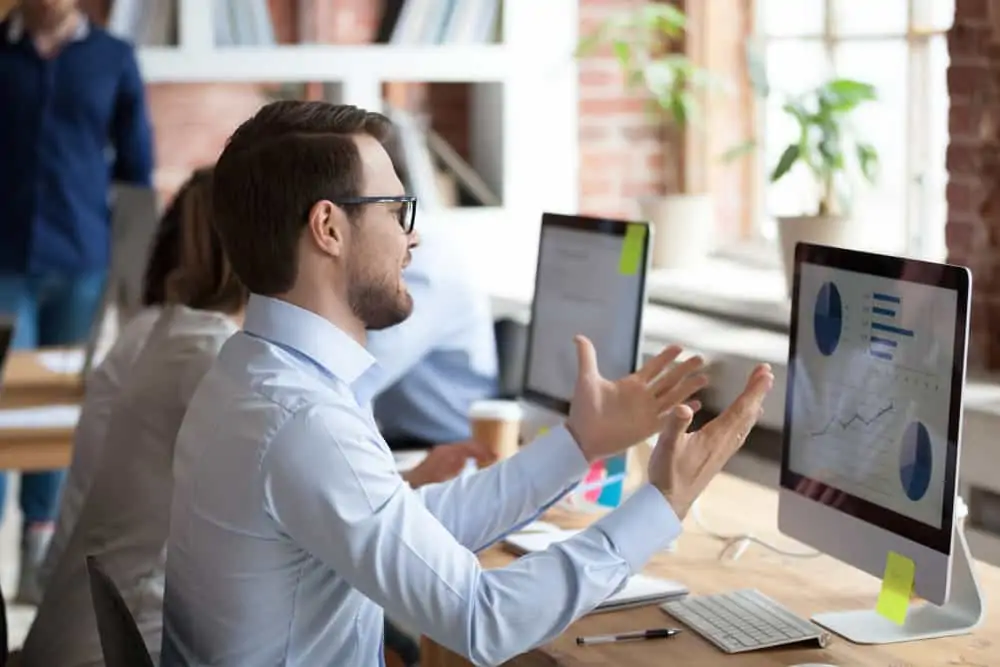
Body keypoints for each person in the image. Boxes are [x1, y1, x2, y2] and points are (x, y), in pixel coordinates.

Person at [159, 100, 774, 666]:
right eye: (398, 212)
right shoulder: (305, 421)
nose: (414, 236)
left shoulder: (247, 374)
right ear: (328, 228)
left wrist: (578, 443)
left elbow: (406, 530)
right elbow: (483, 619)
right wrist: (663, 504)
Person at [0, 0, 154, 603]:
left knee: (56, 408)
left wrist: (137, 275)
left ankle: (39, 555)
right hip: (4, 261)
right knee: (4, 398)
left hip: (82, 260)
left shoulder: (113, 59)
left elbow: (137, 170)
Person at [35, 173, 185, 596]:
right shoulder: (191, 347)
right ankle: (34, 530)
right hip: (111, 614)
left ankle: (35, 532)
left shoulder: (156, 334)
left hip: (78, 246)